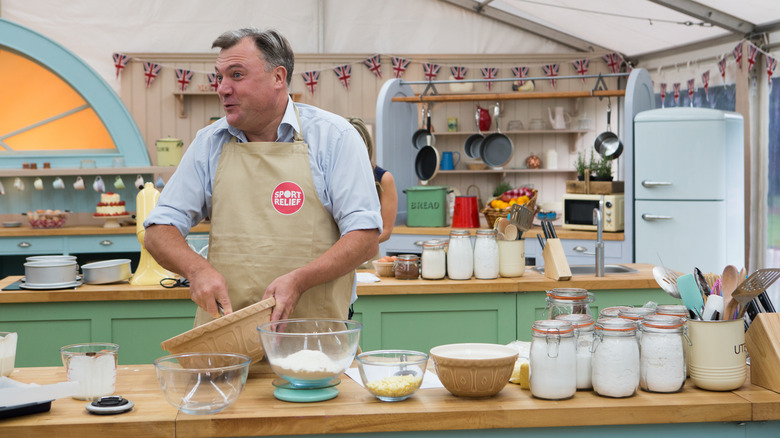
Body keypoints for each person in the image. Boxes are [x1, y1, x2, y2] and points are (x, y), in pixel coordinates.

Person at [143, 28, 382, 324]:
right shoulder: (208, 144)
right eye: (220, 77)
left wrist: (299, 280)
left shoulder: (335, 139)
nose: (223, 88)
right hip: (227, 345)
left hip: (313, 345)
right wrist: (197, 269)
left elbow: (366, 237)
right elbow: (158, 230)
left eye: (237, 75)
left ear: (278, 78)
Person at [347, 117, 397, 243]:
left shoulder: (384, 179)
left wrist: (355, 245)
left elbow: (386, 231)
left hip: (367, 256)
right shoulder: (336, 175)